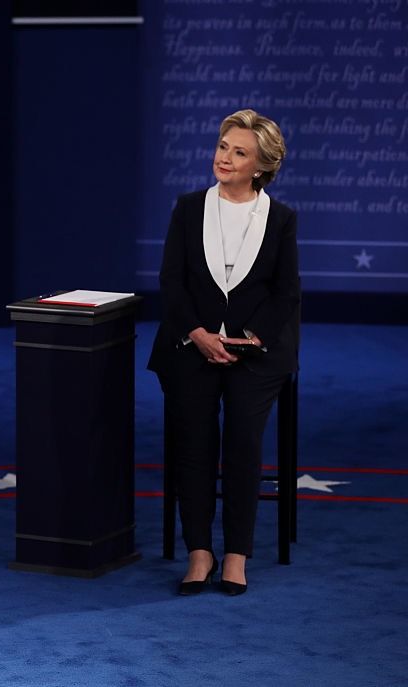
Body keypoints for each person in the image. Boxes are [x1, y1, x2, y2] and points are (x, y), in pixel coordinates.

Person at [148, 109, 299, 597]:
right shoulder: (189, 208)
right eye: (222, 147)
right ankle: (199, 551)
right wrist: (197, 332)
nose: (225, 158)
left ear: (260, 165)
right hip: (191, 345)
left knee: (242, 441)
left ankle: (236, 553)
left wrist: (252, 337)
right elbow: (171, 280)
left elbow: (286, 293)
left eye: (239, 152)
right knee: (193, 443)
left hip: (254, 353)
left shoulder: (280, 218)